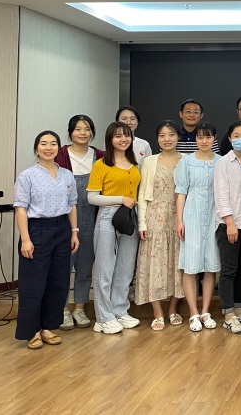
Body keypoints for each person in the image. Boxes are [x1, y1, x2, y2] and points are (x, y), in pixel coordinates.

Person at [14, 131, 80, 349]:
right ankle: (32, 331)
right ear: (36, 148)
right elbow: (20, 208)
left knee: (58, 282)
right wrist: (25, 239)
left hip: (62, 229)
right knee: (34, 285)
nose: (48, 148)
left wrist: (74, 232)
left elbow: (72, 204)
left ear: (59, 148)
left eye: (53, 144)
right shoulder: (27, 176)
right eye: (43, 144)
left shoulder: (67, 175)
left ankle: (48, 327)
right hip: (37, 230)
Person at [87, 122, 142, 334]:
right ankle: (103, 317)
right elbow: (92, 198)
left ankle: (120, 310)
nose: (123, 139)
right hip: (108, 215)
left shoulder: (134, 163)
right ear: (110, 139)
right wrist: (121, 199)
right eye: (118, 136)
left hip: (130, 217)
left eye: (126, 135)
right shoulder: (100, 165)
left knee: (126, 268)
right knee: (105, 267)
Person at [55, 115, 103, 331]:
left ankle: (80, 308)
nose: (83, 133)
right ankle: (63, 309)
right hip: (65, 220)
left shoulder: (101, 156)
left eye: (87, 129)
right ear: (70, 132)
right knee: (63, 266)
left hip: (93, 218)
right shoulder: (60, 154)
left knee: (85, 266)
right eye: (78, 129)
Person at [135, 121, 185, 331]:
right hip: (154, 217)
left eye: (171, 134)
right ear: (157, 139)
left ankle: (173, 309)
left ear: (178, 137)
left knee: (177, 264)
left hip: (179, 217)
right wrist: (142, 222)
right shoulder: (149, 161)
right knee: (153, 263)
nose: (167, 139)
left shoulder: (186, 160)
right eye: (162, 135)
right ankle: (157, 312)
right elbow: (142, 194)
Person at [175, 122, 221, 332]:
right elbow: (181, 192)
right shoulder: (186, 162)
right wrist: (180, 221)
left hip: (214, 216)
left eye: (208, 137)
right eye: (200, 137)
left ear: (214, 139)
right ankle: (193, 313)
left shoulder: (221, 161)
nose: (204, 141)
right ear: (195, 139)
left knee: (211, 265)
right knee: (190, 265)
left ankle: (205, 311)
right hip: (192, 216)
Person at [215, 121, 241, 334]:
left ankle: (239, 309)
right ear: (230, 138)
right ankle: (228, 313)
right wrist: (230, 223)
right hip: (230, 224)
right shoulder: (223, 162)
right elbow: (221, 194)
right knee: (229, 269)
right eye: (236, 135)